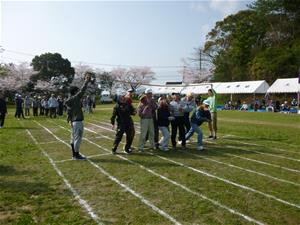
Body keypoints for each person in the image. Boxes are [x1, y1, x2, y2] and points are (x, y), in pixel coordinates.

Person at [65, 72, 92, 160]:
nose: (78, 92)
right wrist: (86, 81)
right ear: (75, 92)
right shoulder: (75, 98)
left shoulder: (69, 99)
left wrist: (68, 120)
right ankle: (76, 155)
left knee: (73, 138)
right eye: (77, 91)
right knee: (78, 139)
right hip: (77, 122)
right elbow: (82, 90)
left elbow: (68, 112)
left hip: (73, 121)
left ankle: (74, 154)